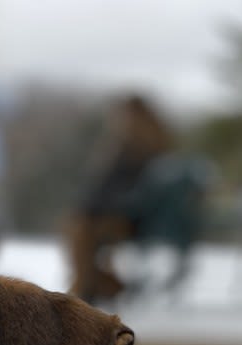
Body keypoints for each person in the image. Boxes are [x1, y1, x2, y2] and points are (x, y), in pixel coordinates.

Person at [68, 94, 174, 302]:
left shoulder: (138, 149)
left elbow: (128, 191)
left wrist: (92, 208)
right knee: (79, 228)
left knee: (80, 230)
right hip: (118, 214)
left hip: (129, 218)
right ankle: (100, 285)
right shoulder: (142, 145)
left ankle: (86, 289)